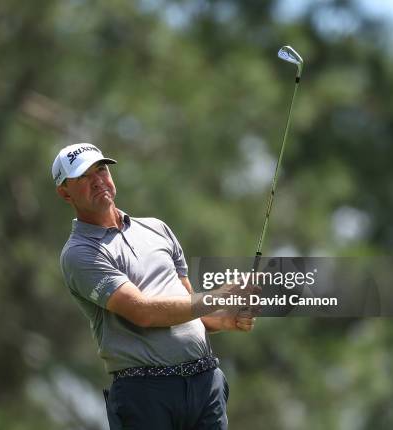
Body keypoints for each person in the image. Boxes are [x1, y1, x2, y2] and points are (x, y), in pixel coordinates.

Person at [52, 143, 256, 429]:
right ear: (65, 193)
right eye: (83, 177)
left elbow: (190, 305)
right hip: (146, 394)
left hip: (205, 383)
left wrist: (225, 319)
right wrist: (219, 296)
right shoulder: (79, 253)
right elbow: (142, 312)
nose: (97, 180)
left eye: (101, 169)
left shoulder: (156, 229)